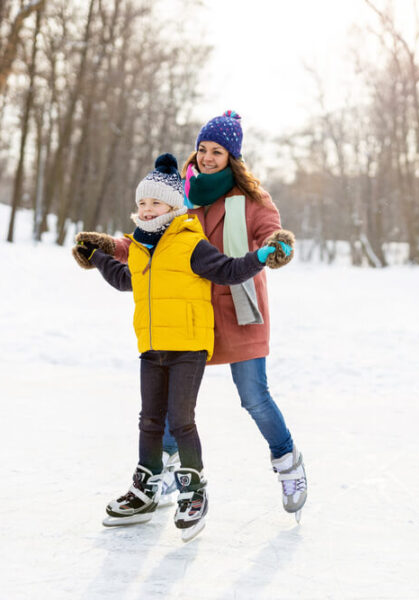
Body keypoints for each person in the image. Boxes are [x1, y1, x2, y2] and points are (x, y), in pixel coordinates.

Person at [74, 111, 308, 521]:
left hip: (238, 307)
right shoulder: (178, 194)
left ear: (232, 157)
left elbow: (270, 231)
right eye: (203, 149)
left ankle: (287, 461)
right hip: (189, 312)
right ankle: (161, 477)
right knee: (169, 404)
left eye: (218, 151)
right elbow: (149, 243)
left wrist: (277, 245)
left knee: (253, 395)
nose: (208, 157)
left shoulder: (251, 200)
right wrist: (107, 248)